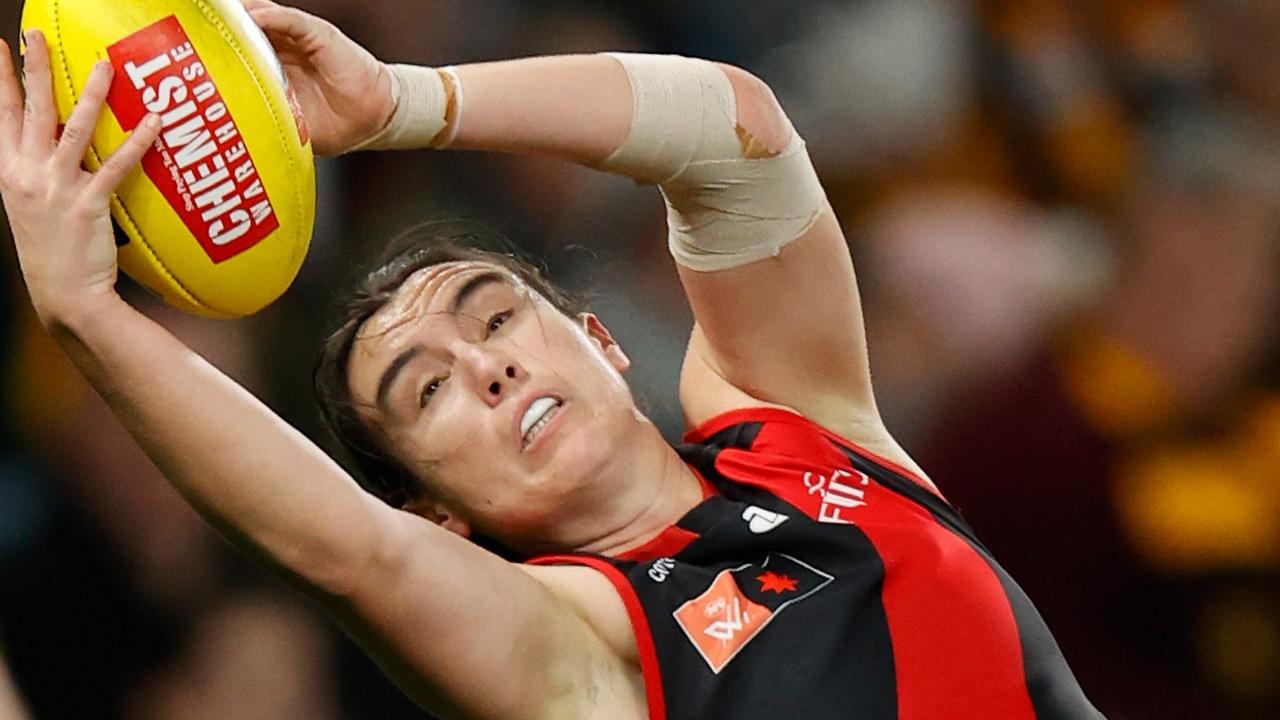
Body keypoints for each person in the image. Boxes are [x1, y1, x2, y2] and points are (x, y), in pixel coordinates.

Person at [0, 1, 1106, 718]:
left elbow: (737, 135)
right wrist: (86, 314)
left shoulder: (794, 423)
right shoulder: (578, 650)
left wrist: (401, 103)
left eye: (493, 317)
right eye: (426, 391)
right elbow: (343, 552)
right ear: (441, 518)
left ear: (599, 338)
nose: (483, 368)